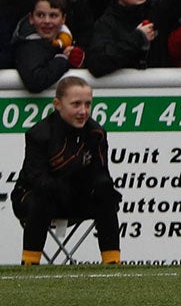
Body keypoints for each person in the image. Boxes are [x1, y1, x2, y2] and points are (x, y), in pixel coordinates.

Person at [12, 71, 119, 266]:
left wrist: (102, 190)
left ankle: (112, 262)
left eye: (88, 104)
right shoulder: (39, 134)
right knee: (43, 193)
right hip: (34, 198)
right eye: (76, 104)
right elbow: (37, 178)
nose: (83, 111)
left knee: (105, 189)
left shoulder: (97, 133)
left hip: (74, 198)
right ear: (58, 105)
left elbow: (102, 174)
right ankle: (29, 264)